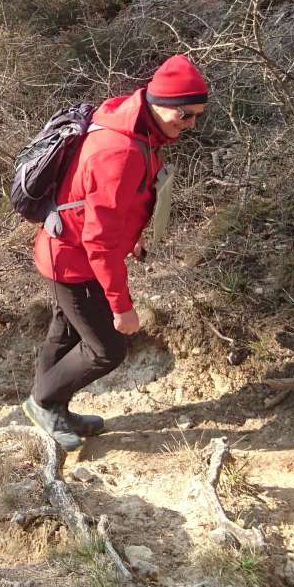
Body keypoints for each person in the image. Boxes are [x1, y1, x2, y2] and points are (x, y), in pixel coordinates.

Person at [23, 53, 209, 451]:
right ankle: (43, 403)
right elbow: (100, 241)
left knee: (66, 329)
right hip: (72, 260)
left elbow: (107, 206)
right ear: (160, 103)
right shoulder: (121, 152)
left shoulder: (133, 122)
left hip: (64, 247)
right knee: (107, 349)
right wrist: (122, 307)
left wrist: (132, 236)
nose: (191, 124)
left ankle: (53, 408)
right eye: (186, 114)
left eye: (197, 116)